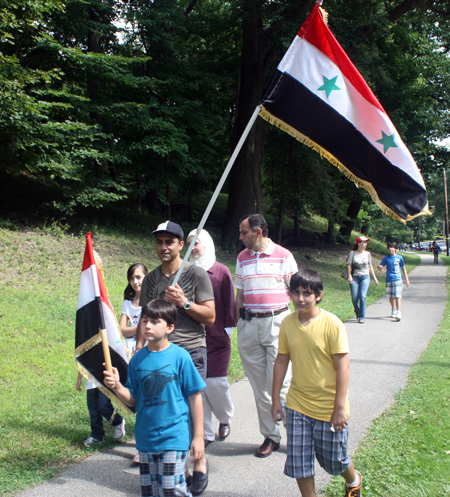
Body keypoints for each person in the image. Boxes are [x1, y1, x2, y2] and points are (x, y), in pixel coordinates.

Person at [135, 220, 215, 493]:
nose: (163, 247)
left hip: (190, 350)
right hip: (157, 352)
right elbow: (143, 317)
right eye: (159, 242)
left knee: (192, 407)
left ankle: (199, 461)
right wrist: (138, 347)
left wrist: (184, 303)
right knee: (167, 408)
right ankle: (177, 468)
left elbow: (211, 316)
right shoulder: (151, 279)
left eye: (169, 242)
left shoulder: (197, 275)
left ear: (182, 245)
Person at [272, 269, 362, 497]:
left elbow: (343, 367)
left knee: (335, 461)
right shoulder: (287, 324)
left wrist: (339, 407)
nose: (300, 299)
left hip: (329, 406)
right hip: (297, 404)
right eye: (295, 293)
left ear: (318, 295)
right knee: (299, 463)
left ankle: (353, 480)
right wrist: (275, 400)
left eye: (307, 293)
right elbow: (281, 361)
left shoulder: (332, 324)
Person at [104, 299, 206, 497]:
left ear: (170, 327)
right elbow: (132, 399)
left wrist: (199, 437)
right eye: (145, 321)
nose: (147, 326)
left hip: (174, 437)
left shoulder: (180, 357)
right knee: (150, 492)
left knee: (172, 490)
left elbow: (195, 397)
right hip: (146, 439)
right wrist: (117, 386)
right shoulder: (137, 360)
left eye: (154, 321)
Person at [235, 213, 298, 458]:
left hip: (278, 323)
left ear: (258, 232)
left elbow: (296, 292)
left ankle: (295, 435)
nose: (241, 237)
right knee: (259, 386)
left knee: (281, 384)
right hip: (249, 325)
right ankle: (271, 436)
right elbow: (240, 293)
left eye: (244, 232)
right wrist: (238, 322)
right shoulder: (242, 257)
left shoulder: (284, 256)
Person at [188, 229, 236, 446]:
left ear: (206, 244)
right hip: (192, 339)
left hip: (217, 338)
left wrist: (228, 327)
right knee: (198, 387)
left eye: (196, 243)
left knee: (216, 383)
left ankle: (225, 418)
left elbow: (229, 300)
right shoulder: (185, 271)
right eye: (189, 244)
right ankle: (205, 433)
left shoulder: (221, 271)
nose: (193, 248)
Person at [75, 372, 126, 447]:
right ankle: (97, 436)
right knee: (93, 410)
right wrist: (79, 378)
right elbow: (82, 362)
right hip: (91, 381)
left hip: (105, 380)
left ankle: (118, 422)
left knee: (103, 406)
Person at [346, 236, 379, 324]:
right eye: (363, 242)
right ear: (358, 243)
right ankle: (357, 312)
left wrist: (375, 278)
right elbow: (349, 265)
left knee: (362, 296)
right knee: (354, 297)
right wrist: (349, 276)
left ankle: (361, 316)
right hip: (355, 277)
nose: (365, 244)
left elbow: (370, 266)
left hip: (365, 277)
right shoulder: (352, 253)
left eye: (366, 242)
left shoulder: (367, 254)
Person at [119, 263, 148, 355]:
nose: (135, 282)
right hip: (129, 347)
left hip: (147, 346)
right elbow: (122, 331)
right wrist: (141, 330)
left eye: (138, 277)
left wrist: (132, 331)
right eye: (131, 278)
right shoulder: (127, 303)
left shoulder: (151, 302)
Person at [378, 242, 410, 321]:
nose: (390, 249)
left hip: (398, 279)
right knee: (391, 296)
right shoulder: (386, 258)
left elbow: (403, 268)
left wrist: (407, 279)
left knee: (398, 295)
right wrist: (379, 267)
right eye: (389, 247)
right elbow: (381, 266)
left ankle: (399, 312)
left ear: (395, 248)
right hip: (389, 279)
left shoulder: (399, 257)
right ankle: (393, 308)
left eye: (392, 247)